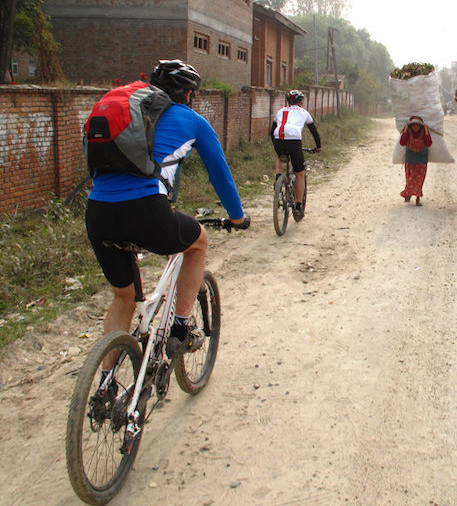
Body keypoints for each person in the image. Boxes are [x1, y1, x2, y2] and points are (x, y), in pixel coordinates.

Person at [85, 59, 250, 369]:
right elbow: (220, 175)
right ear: (188, 95)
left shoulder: (130, 119)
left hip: (97, 212)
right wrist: (237, 216)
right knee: (197, 242)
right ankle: (181, 329)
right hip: (146, 209)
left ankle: (105, 387)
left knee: (123, 298)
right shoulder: (192, 120)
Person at [270, 90, 322, 215]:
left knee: (281, 157)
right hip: (294, 141)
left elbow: (272, 131)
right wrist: (318, 147)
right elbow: (314, 132)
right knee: (300, 174)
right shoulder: (304, 113)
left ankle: (278, 177)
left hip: (279, 140)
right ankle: (298, 207)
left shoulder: (280, 111)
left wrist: (276, 144)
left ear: (288, 101)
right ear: (301, 102)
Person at [399, 115, 432, 206]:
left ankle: (417, 198)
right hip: (410, 159)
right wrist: (405, 130)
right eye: (413, 125)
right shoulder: (408, 132)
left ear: (421, 126)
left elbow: (428, 143)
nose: (415, 127)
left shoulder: (424, 132)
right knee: (409, 179)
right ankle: (408, 194)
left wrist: (426, 131)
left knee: (419, 180)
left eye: (417, 125)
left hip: (421, 159)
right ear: (410, 126)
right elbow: (402, 142)